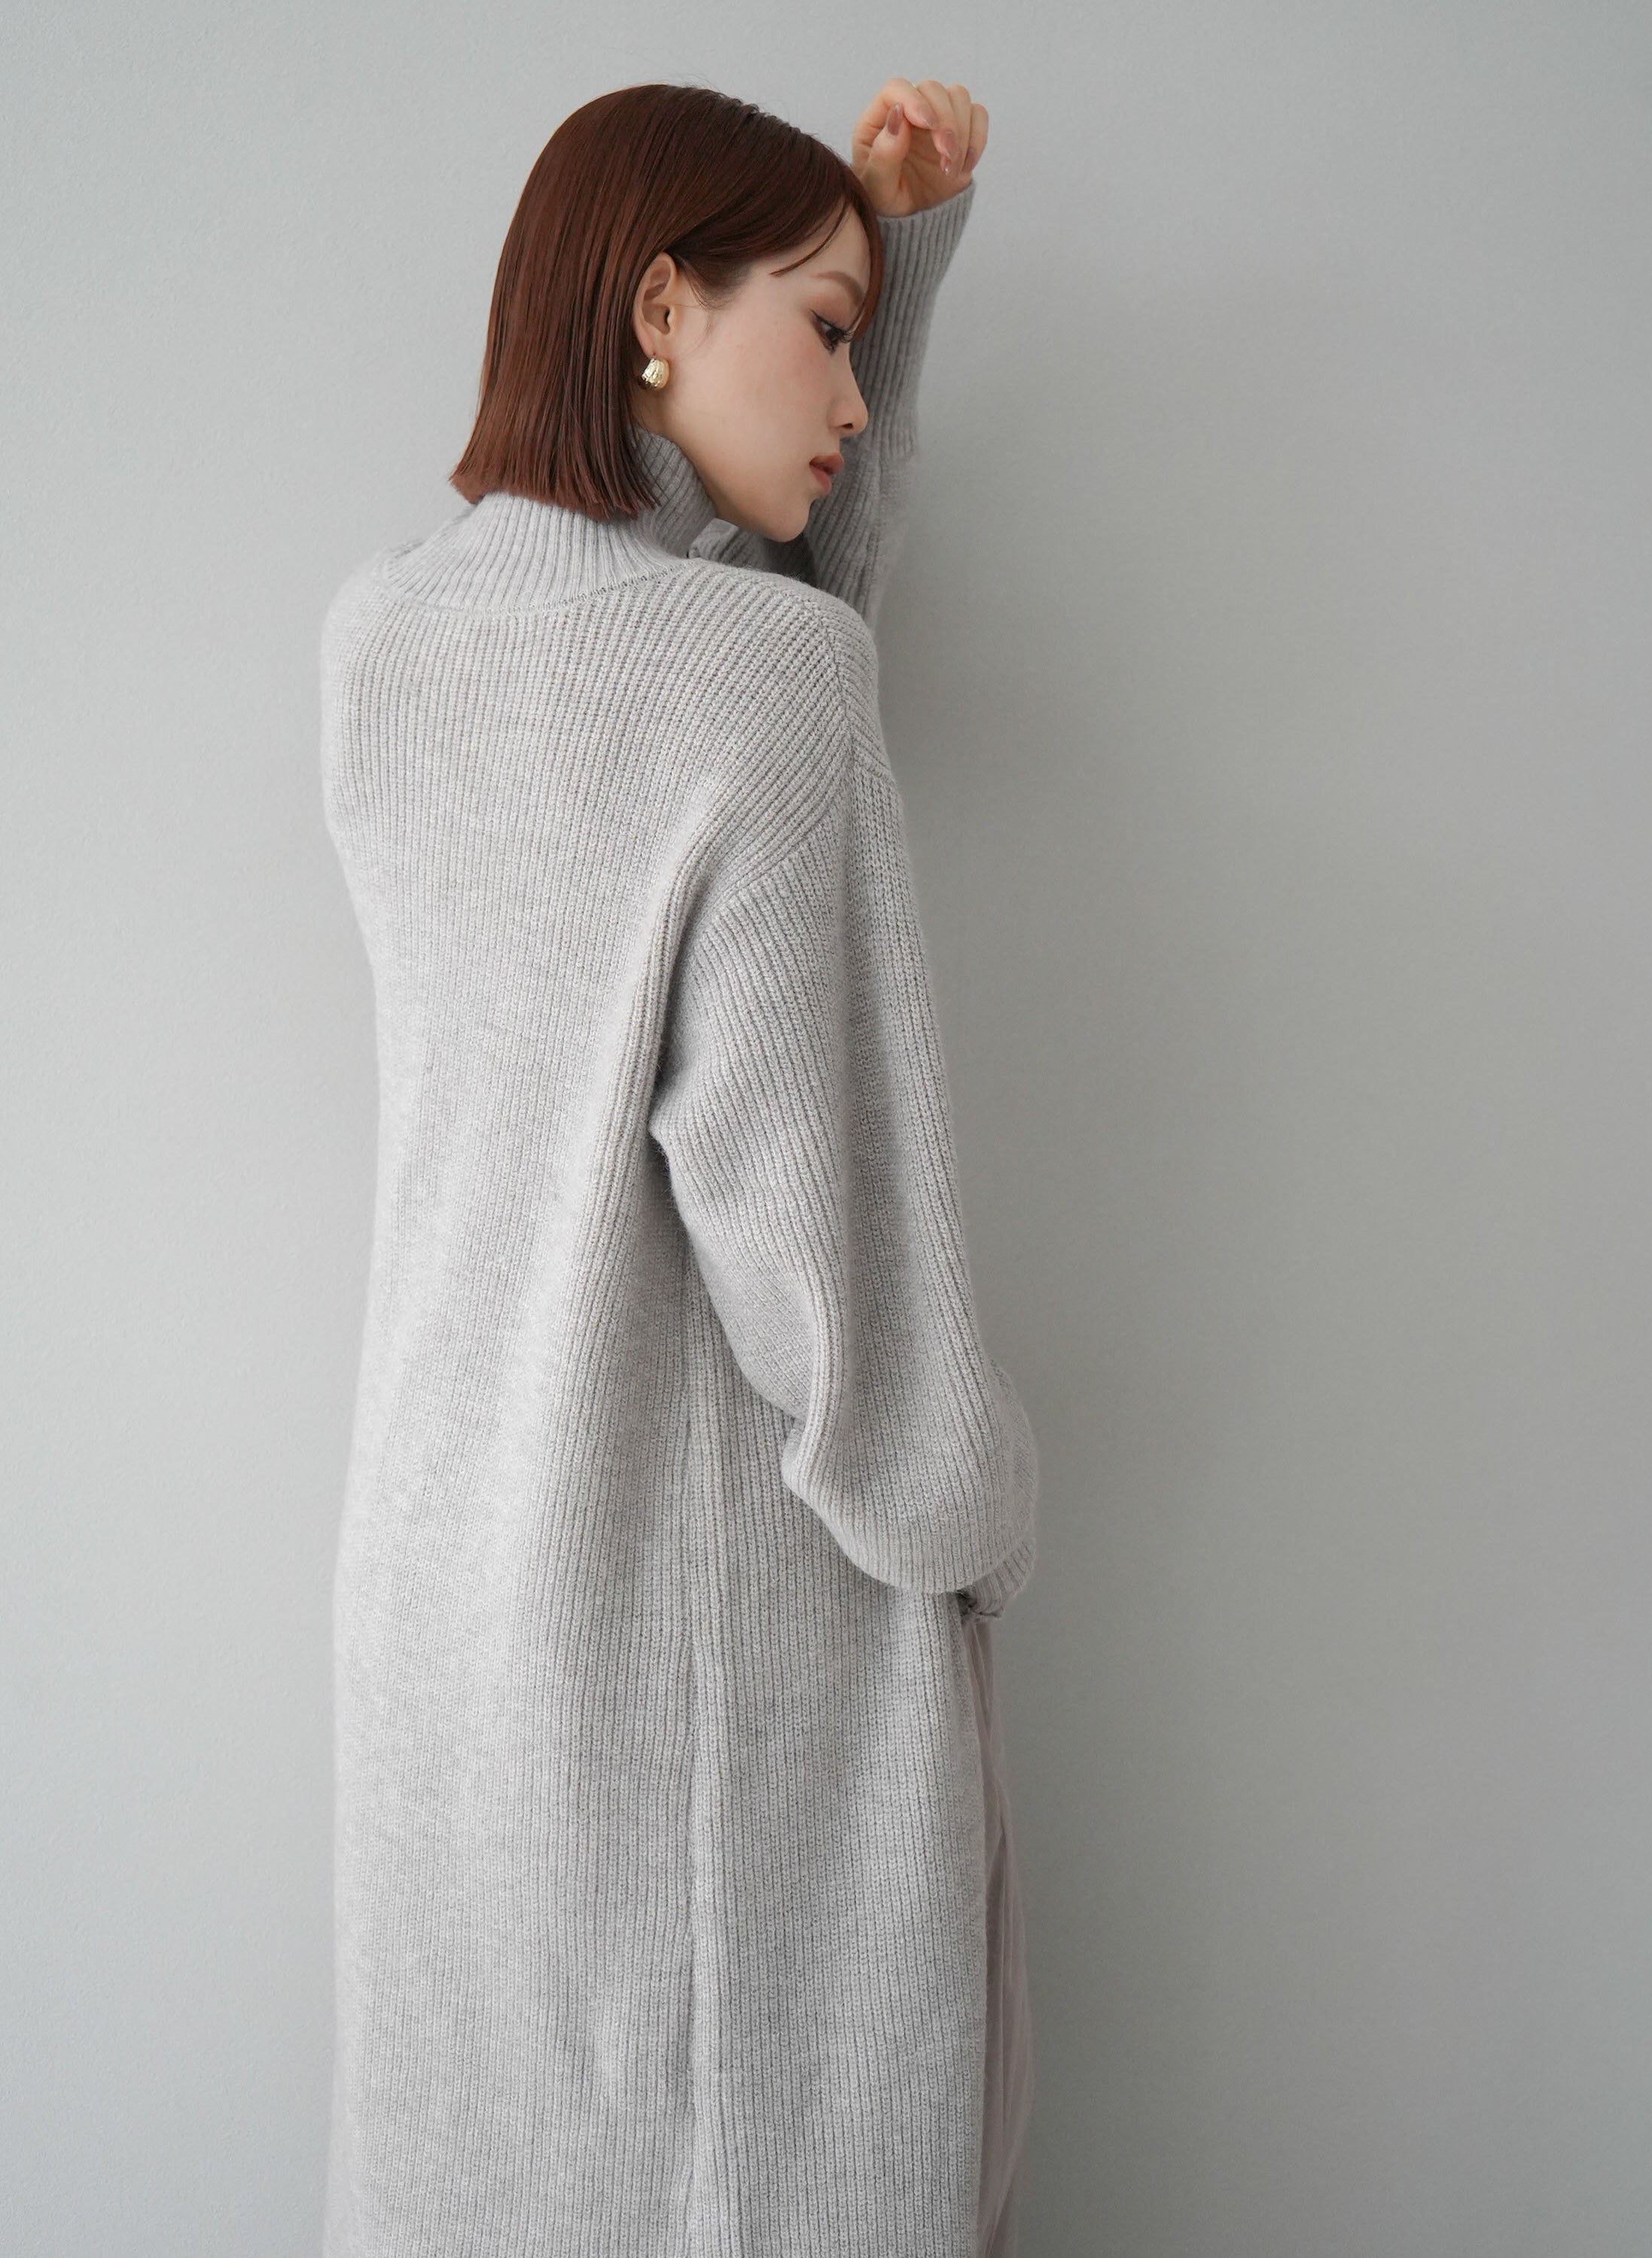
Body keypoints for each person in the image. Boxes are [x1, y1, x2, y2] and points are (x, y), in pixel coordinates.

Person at [318, 76, 1038, 2258]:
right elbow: (828, 1276)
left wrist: (873, 248)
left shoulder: (380, 647)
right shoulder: (766, 685)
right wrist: (973, 1517)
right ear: (655, 310)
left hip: (443, 1616)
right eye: (821, 330)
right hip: (699, 1635)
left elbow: (736, 653)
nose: (853, 396)